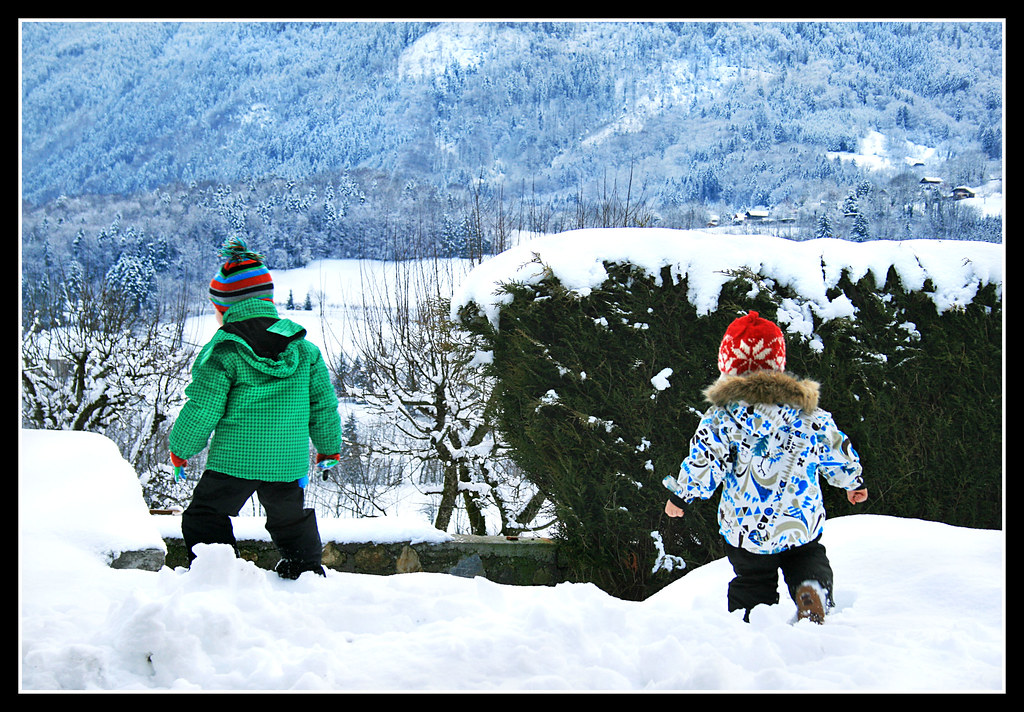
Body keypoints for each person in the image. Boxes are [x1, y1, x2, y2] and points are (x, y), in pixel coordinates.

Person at [663, 310, 868, 623]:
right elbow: (834, 448)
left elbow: (704, 461)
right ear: (778, 365)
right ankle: (811, 589)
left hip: (748, 529)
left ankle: (751, 625)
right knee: (807, 559)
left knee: (752, 580)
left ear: (727, 367)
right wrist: (852, 481)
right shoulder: (809, 413)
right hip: (800, 521)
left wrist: (682, 496)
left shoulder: (720, 419)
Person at [169, 237, 341, 580]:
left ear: (226, 308)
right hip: (286, 459)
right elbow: (323, 406)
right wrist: (329, 449)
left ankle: (214, 572)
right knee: (288, 517)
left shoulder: (225, 351)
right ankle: (305, 570)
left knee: (205, 514)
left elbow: (203, 407)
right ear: (267, 300)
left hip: (235, 458)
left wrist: (181, 449)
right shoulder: (304, 350)